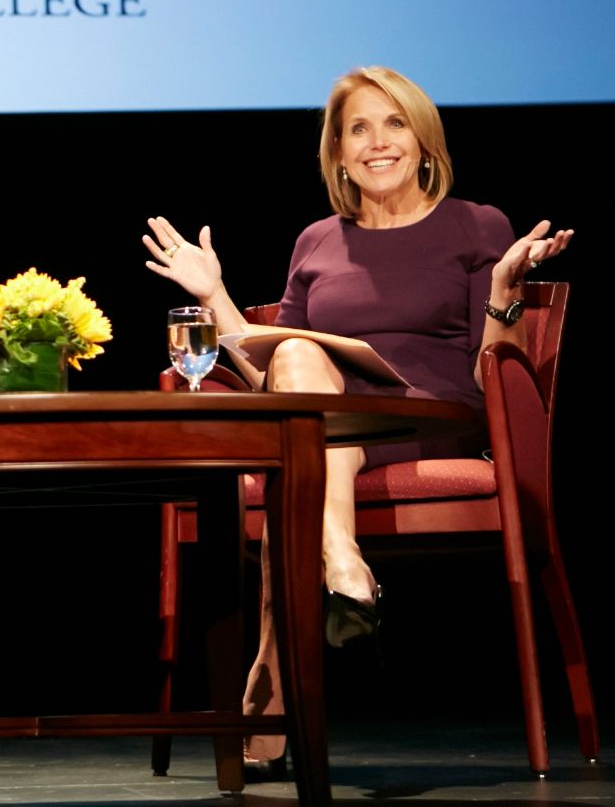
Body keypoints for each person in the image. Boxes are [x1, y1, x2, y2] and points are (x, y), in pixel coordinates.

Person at [141, 66, 572, 772]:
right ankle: (343, 566)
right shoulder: (316, 240)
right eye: (358, 130)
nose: (378, 143)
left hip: (429, 420)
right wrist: (214, 295)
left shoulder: (476, 224)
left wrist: (501, 291)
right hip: (331, 429)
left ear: (424, 141)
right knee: (304, 385)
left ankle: (273, 679)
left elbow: (492, 371)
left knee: (300, 449)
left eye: (394, 123)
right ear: (338, 154)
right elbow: (269, 373)